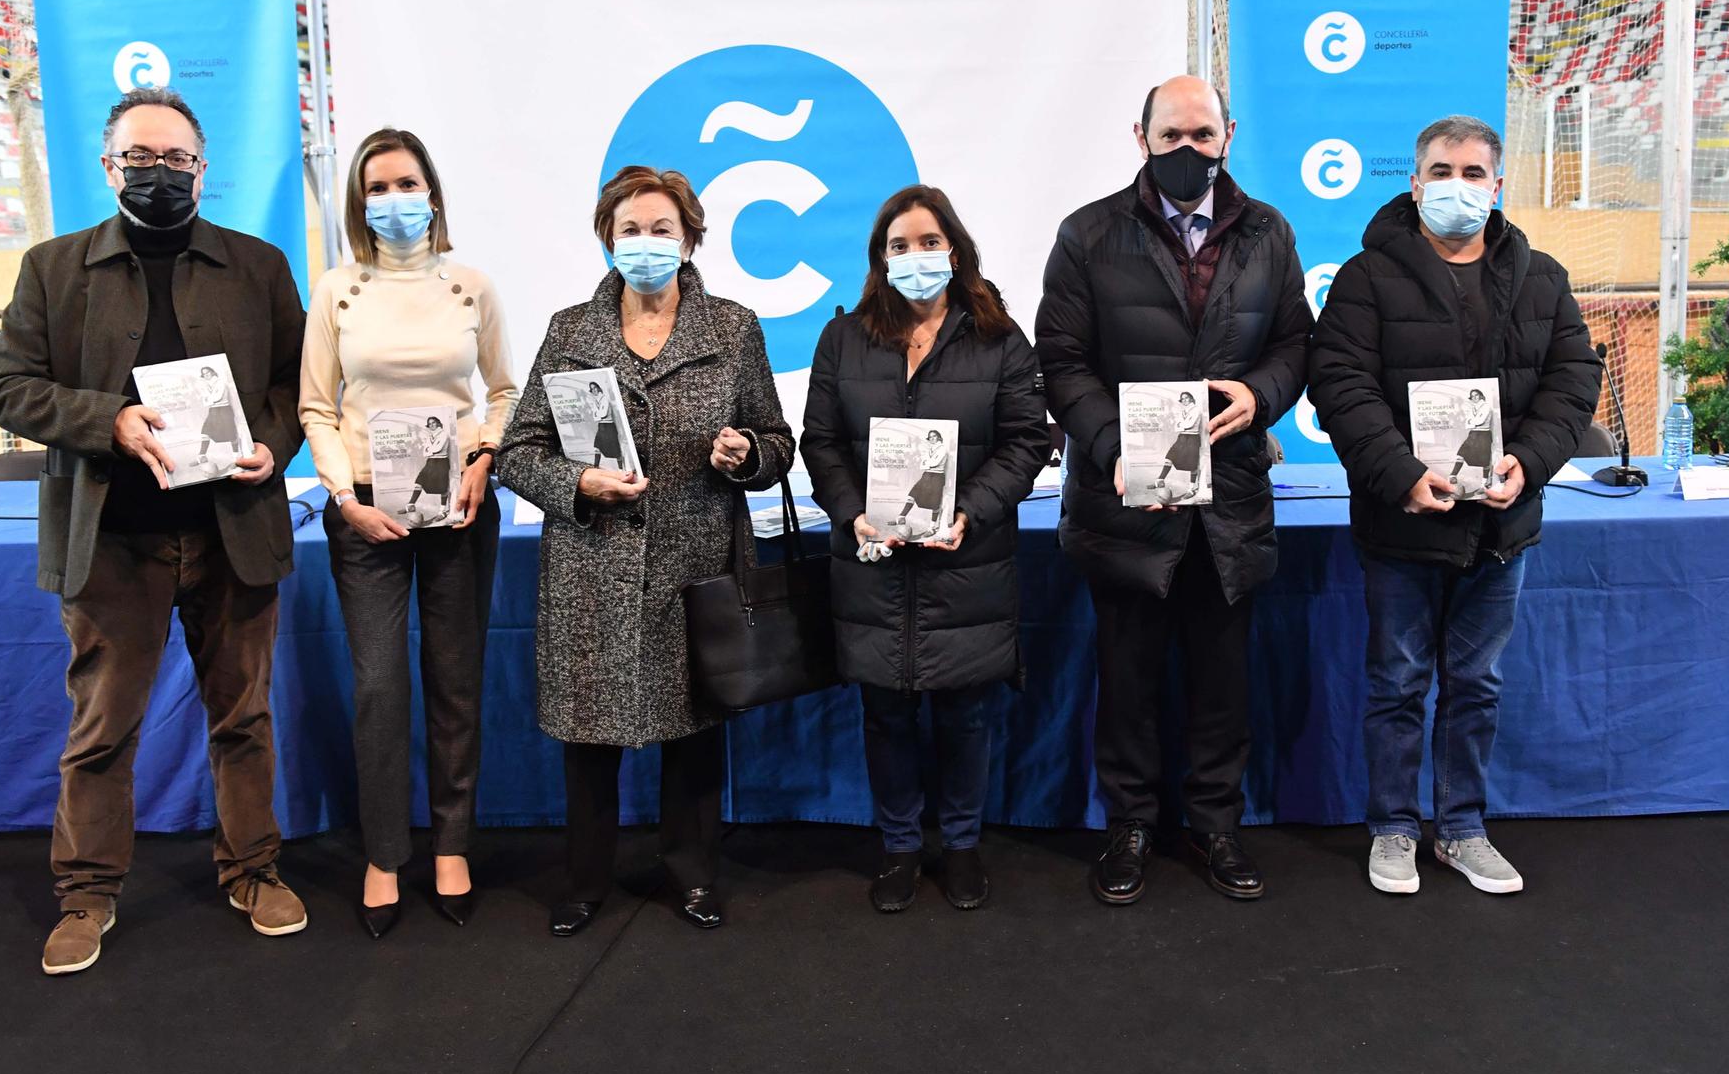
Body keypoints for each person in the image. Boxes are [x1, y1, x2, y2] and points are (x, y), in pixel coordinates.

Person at [0, 87, 308, 975]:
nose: (157, 172)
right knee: (103, 727)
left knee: (243, 717)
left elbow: (294, 387)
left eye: (175, 158)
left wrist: (273, 447)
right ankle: (86, 893)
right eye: (140, 157)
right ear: (108, 165)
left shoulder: (260, 265)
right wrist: (109, 420)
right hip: (113, 538)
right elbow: (5, 389)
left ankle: (253, 869)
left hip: (232, 529)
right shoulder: (53, 268)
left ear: (203, 168)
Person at [1307, 114, 1601, 897]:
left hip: (1500, 526)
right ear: (1414, 181)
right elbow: (1340, 386)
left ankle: (1463, 828)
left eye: (1474, 174)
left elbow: (1575, 383)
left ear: (1497, 186)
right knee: (1398, 682)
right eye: (1443, 171)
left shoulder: (1542, 276)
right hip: (1402, 524)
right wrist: (1400, 473)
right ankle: (1395, 828)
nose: (1458, 187)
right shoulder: (1366, 279)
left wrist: (1527, 463)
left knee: (1477, 684)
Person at [1036, 74, 1312, 906]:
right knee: (1126, 679)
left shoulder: (1269, 231)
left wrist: (1260, 394)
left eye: (1201, 134)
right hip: (1124, 501)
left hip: (1227, 501)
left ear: (1229, 133)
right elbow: (1062, 362)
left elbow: (1298, 341)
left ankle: (1216, 822)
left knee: (1223, 684)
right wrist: (1113, 443)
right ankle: (1129, 825)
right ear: (1140, 137)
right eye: (1170, 137)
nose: (1186, 151)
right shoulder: (1087, 235)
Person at [501, 165, 794, 936]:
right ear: (606, 239)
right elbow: (518, 450)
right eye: (629, 229)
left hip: (693, 566)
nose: (646, 243)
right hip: (589, 565)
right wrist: (580, 481)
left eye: (662, 228)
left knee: (693, 732)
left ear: (691, 238)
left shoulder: (733, 328)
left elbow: (777, 439)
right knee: (589, 737)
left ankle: (693, 877)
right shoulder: (570, 331)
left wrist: (747, 453)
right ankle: (586, 880)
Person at [801, 185, 1050, 913]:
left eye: (929, 242)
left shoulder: (999, 336)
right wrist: (850, 514)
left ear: (956, 249)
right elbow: (820, 442)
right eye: (900, 246)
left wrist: (972, 509)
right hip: (872, 566)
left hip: (965, 565)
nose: (916, 258)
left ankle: (964, 844)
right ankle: (902, 846)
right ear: (880, 258)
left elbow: (1028, 440)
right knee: (885, 714)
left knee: (965, 714)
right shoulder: (842, 338)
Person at [298, 126, 517, 937]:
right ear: (360, 202)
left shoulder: (472, 288)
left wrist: (484, 458)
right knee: (381, 687)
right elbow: (316, 406)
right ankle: (385, 852)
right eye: (378, 187)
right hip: (365, 512)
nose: (395, 200)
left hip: (458, 508)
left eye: (407, 183)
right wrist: (341, 495)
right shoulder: (336, 292)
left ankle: (452, 843)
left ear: (434, 191)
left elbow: (503, 388)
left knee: (457, 678)